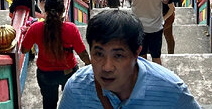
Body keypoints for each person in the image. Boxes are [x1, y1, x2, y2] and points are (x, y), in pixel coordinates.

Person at [58, 10, 198, 109]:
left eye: (118, 55)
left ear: (137, 53)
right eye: (99, 54)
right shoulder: (76, 88)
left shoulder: (172, 91)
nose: (107, 67)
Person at [22, 0, 91, 109]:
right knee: (70, 103)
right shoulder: (71, 29)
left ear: (45, 9)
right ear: (63, 9)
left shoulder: (35, 28)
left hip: (45, 74)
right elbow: (82, 53)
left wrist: (29, 35)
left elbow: (24, 49)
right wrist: (89, 65)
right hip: (68, 72)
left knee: (49, 104)